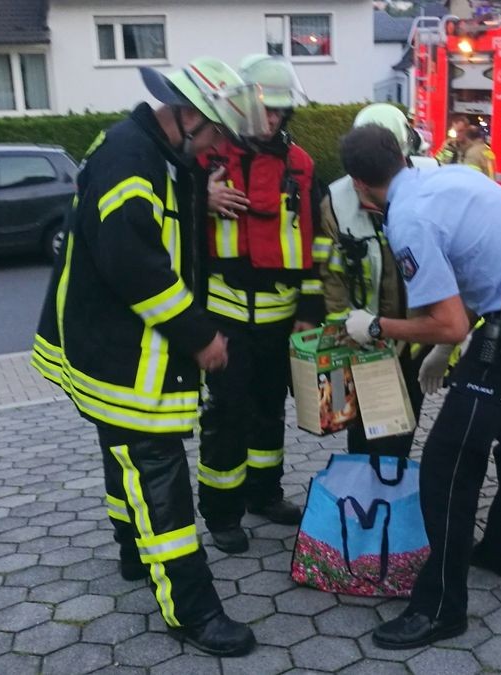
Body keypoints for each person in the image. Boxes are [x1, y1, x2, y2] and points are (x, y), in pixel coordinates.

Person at [30, 57, 266, 657]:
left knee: (123, 456)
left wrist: (199, 200)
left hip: (104, 347)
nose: (215, 148)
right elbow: (138, 268)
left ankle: (133, 555)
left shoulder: (144, 148)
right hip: (123, 356)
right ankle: (192, 609)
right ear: (186, 116)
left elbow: (151, 226)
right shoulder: (131, 161)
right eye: (213, 132)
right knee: (158, 474)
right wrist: (199, 336)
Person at [338, 125, 501, 650]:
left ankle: (441, 607)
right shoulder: (440, 179)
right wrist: (449, 346)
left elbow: (447, 322)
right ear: (403, 156)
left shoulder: (407, 219)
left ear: (360, 185)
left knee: (449, 458)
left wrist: (376, 326)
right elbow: (477, 269)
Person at [196, 55, 322, 554]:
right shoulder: (206, 160)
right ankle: (222, 512)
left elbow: (316, 244)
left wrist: (309, 313)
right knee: (227, 415)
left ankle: (263, 493)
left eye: (279, 111)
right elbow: (169, 229)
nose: (271, 119)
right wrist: (197, 200)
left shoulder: (301, 164)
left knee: (270, 409)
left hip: (281, 318)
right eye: (263, 109)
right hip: (224, 317)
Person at [316, 102, 438, 457]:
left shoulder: (432, 181)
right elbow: (331, 276)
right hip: (365, 341)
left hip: (416, 339)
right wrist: (343, 337)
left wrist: (443, 344)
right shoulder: (337, 201)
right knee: (368, 429)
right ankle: (368, 495)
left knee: (402, 427)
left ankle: (386, 492)